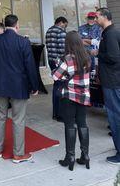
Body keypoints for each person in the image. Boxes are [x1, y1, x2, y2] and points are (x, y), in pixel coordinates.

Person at [0, 14, 38, 163]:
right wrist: (34, 85)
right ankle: (18, 154)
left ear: (4, 25)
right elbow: (30, 66)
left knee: (0, 117)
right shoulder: (23, 42)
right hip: (19, 86)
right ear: (17, 25)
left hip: (0, 84)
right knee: (18, 119)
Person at [52, 31, 91, 171]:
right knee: (82, 124)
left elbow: (56, 77)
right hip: (83, 96)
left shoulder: (67, 59)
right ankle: (85, 155)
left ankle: (70, 157)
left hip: (69, 96)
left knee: (69, 125)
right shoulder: (87, 56)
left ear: (67, 43)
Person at [96, 7, 120, 165]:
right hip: (113, 79)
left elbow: (113, 57)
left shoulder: (110, 34)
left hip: (112, 81)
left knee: (115, 116)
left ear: (105, 17)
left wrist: (98, 54)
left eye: (97, 16)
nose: (95, 18)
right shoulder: (112, 32)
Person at [45, 16, 68, 121]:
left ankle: (56, 112)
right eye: (65, 24)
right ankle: (60, 113)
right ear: (61, 22)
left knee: (56, 84)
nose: (65, 27)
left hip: (51, 60)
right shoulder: (61, 32)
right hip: (60, 62)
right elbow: (64, 49)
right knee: (61, 86)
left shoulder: (48, 31)